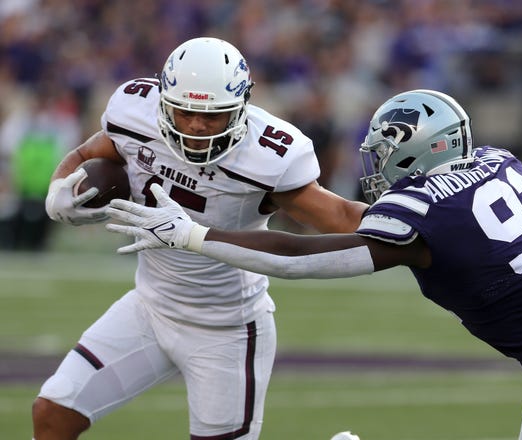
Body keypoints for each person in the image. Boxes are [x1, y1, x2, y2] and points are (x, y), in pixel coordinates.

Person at [106, 89, 522, 439]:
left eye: (387, 150)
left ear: (422, 148)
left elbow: (301, 258)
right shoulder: (496, 164)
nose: (379, 165)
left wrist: (196, 235)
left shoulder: (421, 209)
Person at [34, 37, 367, 440]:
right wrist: (58, 189)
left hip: (227, 326)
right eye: (185, 111)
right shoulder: (133, 114)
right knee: (53, 413)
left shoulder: (267, 156)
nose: (195, 125)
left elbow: (339, 216)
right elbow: (87, 154)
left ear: (242, 106)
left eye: (213, 116)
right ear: (162, 99)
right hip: (149, 307)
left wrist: (419, 220)